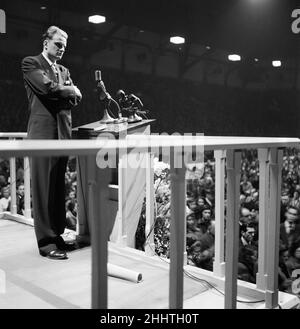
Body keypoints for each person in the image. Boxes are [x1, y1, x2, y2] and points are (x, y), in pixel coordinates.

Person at [21, 26, 82, 260]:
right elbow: (46, 89)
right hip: (42, 135)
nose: (61, 49)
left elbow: (75, 98)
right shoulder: (31, 63)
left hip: (62, 136)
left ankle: (56, 236)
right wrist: (68, 90)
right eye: (58, 44)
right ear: (46, 42)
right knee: (44, 189)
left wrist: (67, 91)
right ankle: (46, 244)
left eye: (64, 46)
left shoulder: (64, 69)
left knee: (57, 189)